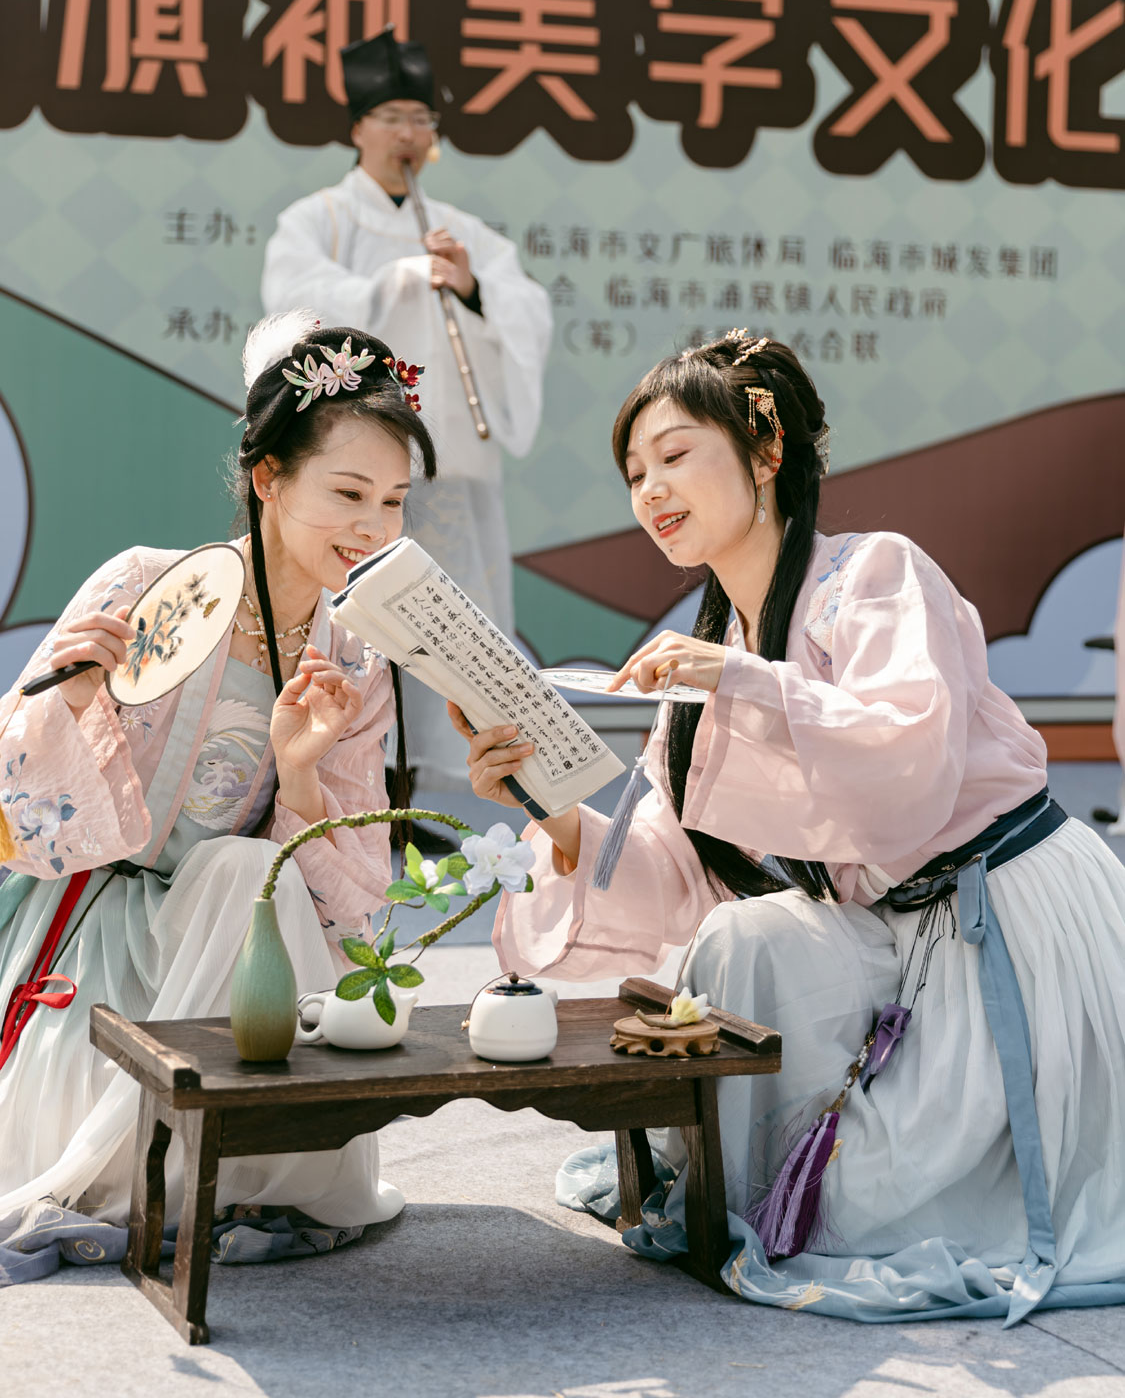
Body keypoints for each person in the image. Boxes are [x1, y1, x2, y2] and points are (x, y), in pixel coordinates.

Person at [451, 332, 1125, 1323]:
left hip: (1007, 920)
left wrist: (746, 679)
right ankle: (777, 1164)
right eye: (635, 472)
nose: (650, 490)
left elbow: (910, 761)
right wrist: (541, 802)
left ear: (766, 451)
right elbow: (674, 875)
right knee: (739, 936)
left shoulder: (875, 575)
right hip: (891, 932)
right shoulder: (706, 649)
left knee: (867, 1214)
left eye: (676, 455)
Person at [0, 315, 437, 1307]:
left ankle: (229, 1142)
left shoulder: (358, 658)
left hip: (217, 945)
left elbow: (356, 885)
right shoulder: (145, 584)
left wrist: (298, 776)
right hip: (77, 925)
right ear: (268, 478)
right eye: (346, 492)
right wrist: (72, 700)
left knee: (247, 870)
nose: (370, 525)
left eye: (392, 501)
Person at [261, 29, 553, 791]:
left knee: (439, 620)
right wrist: (394, 281)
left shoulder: (465, 232)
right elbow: (292, 301)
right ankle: (323, 767)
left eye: (421, 119)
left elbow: (525, 305)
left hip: (445, 469)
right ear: (358, 127)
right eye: (392, 115)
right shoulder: (318, 219)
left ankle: (422, 777)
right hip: (350, 474)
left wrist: (470, 287)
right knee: (342, 609)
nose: (408, 134)